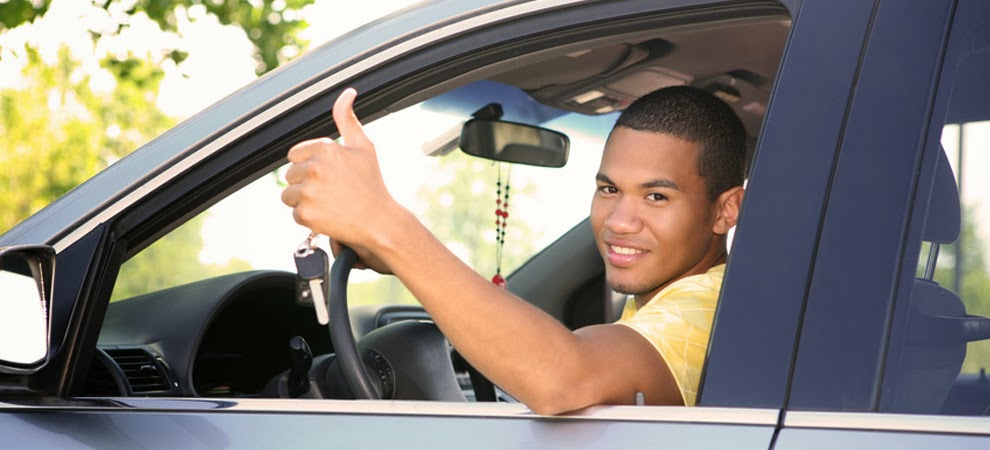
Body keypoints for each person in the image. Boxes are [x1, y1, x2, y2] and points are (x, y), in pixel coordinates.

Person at [281, 85, 747, 414]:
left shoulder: (712, 307)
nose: (619, 222)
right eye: (609, 189)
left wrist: (386, 225)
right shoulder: (669, 301)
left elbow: (566, 379)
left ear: (726, 211)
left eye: (657, 196)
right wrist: (398, 258)